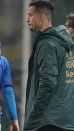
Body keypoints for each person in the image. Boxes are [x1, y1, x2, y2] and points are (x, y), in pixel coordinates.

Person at [24, 0, 74, 131]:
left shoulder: (47, 44)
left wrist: (33, 116)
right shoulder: (66, 44)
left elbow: (48, 83)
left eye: (30, 15)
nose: (27, 19)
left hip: (47, 121)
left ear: (40, 17)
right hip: (66, 120)